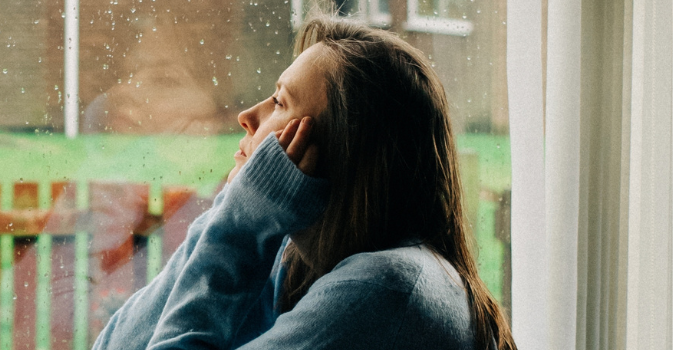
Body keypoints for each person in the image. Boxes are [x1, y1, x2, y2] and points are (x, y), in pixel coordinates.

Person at [91, 11, 517, 350]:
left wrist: (240, 222)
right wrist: (236, 211)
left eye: (280, 101)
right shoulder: (293, 259)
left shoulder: (384, 291)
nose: (247, 116)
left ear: (341, 150)